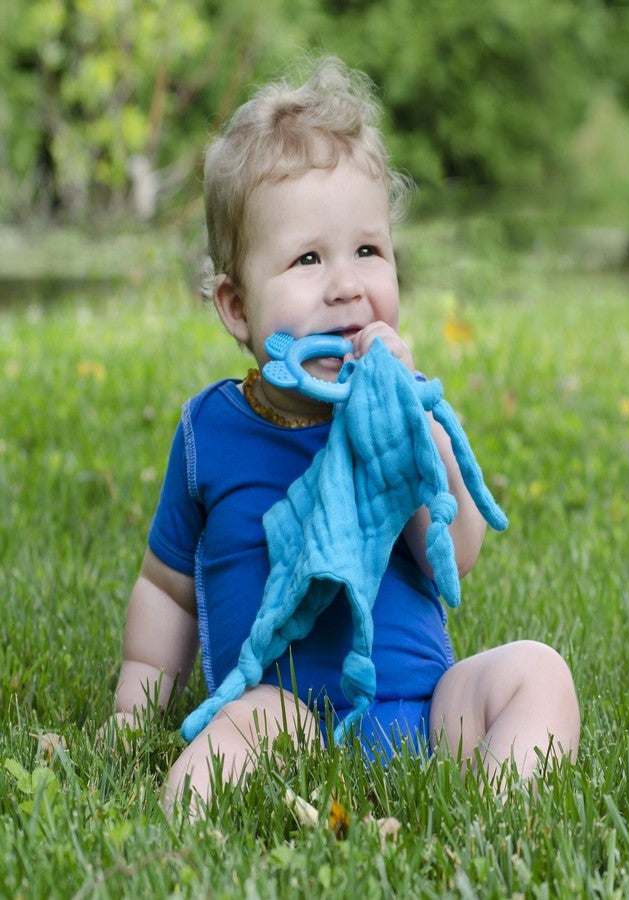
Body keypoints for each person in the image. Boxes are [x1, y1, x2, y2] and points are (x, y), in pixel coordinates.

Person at [107, 57, 580, 815]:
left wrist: (411, 425)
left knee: (538, 672)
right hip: (288, 719)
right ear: (236, 307)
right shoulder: (209, 432)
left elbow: (453, 552)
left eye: (368, 251)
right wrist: (135, 711)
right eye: (307, 259)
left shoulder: (402, 413)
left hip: (428, 715)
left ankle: (501, 810)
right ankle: (182, 829)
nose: (346, 284)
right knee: (256, 719)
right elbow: (166, 591)